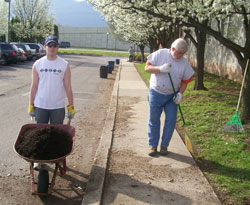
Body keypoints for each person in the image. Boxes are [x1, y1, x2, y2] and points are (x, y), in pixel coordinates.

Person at [145, 38, 194, 156]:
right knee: (154, 119)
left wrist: (180, 94)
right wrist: (159, 69)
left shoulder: (184, 63)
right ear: (172, 49)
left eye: (182, 54)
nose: (180, 56)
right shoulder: (160, 54)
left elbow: (185, 81)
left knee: (171, 120)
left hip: (171, 96)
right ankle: (153, 145)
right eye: (178, 53)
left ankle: (164, 146)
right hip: (156, 92)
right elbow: (147, 68)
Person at [28, 35, 75, 124]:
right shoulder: (37, 64)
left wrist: (71, 106)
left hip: (57, 107)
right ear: (45, 46)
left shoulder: (64, 65)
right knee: (40, 134)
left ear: (58, 47)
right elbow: (34, 86)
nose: (52, 48)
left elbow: (68, 86)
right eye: (49, 45)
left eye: (54, 45)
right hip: (40, 106)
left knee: (56, 134)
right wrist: (31, 104)